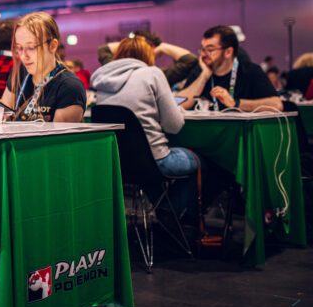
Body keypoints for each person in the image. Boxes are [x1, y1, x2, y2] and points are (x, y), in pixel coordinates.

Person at [91, 36, 217, 222]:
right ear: (148, 55)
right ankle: (174, 216)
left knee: (149, 175)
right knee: (203, 163)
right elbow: (174, 126)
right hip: (155, 160)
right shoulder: (152, 73)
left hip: (119, 163)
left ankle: (166, 215)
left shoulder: (101, 80)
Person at [0, 12, 86, 122]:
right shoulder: (20, 72)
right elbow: (6, 113)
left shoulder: (69, 87)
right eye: (19, 48)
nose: (23, 56)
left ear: (53, 46)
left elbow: (57, 133)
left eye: (31, 47)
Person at [179, 26, 282, 112]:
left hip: (240, 129)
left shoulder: (250, 71)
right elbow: (179, 103)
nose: (203, 54)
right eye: (202, 49)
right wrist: (204, 77)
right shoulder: (200, 71)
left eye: (210, 49)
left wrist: (235, 103)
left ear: (228, 52)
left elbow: (277, 105)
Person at [98, 30, 197, 86]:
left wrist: (129, 44)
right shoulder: (158, 76)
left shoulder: (114, 72)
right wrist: (162, 47)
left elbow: (104, 49)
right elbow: (190, 59)